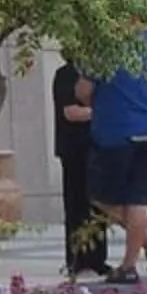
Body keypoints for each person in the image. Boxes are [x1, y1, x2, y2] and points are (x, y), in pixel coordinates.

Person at [85, 33, 147, 285]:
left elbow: (84, 91)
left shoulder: (106, 45)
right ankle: (132, 262)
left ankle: (146, 246)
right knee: (138, 199)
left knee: (101, 197)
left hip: (116, 134)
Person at [51, 55, 103, 276]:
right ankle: (77, 260)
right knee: (76, 206)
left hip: (95, 147)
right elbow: (70, 112)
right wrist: (102, 113)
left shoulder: (98, 73)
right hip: (74, 149)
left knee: (97, 206)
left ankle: (97, 260)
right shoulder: (66, 75)